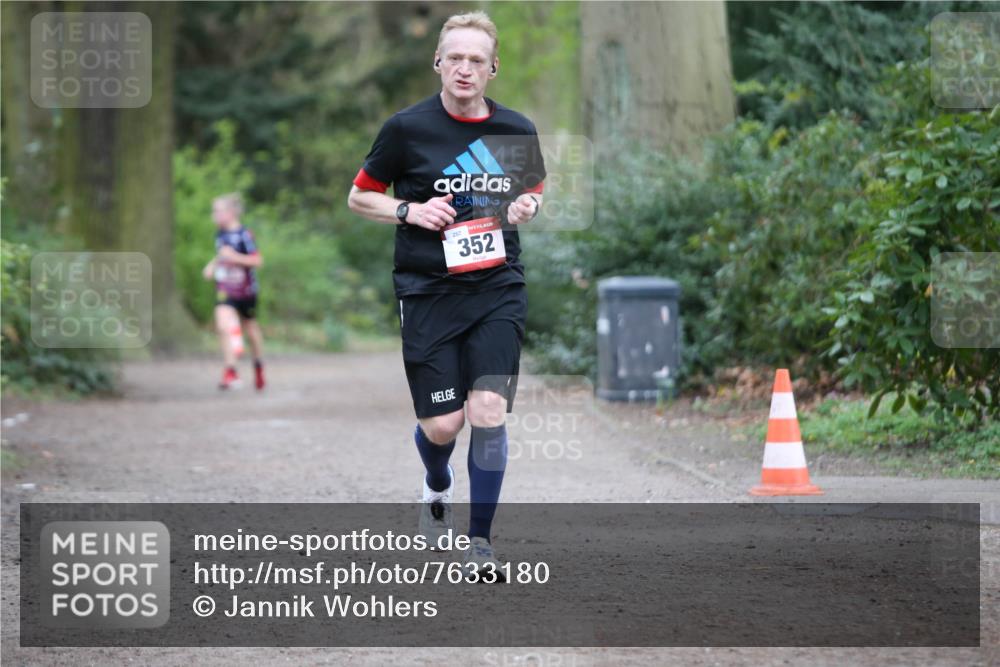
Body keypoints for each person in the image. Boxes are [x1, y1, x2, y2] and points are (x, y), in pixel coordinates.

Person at [347, 11, 545, 580]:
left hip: (497, 286)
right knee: (443, 426)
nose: (464, 68)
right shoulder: (406, 129)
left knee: (488, 411)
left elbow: (533, 187)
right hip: (428, 290)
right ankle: (437, 483)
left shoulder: (515, 128)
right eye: (454, 57)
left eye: (476, 60)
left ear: (493, 69)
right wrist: (408, 210)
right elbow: (360, 196)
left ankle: (480, 543)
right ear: (437, 61)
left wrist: (528, 205)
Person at [201, 193, 266, 391]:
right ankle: (231, 370)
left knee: (251, 330)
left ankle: (258, 365)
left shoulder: (244, 235)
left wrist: (234, 257)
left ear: (231, 213)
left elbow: (257, 261)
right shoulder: (220, 234)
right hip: (225, 289)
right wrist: (212, 266)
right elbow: (222, 255)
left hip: (246, 291)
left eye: (217, 211)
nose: (214, 215)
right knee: (222, 325)